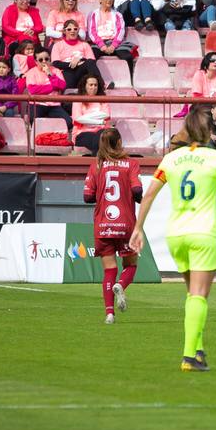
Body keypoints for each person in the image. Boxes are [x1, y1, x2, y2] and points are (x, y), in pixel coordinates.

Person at [128, 106, 216, 372]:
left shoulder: (171, 159)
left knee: (192, 295)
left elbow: (149, 195)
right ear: (209, 131)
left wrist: (138, 228)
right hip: (203, 233)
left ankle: (198, 351)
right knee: (200, 296)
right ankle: (189, 356)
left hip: (176, 234)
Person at [82, 127, 142, 325]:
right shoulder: (131, 164)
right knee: (131, 265)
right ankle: (121, 284)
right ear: (119, 143)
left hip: (103, 225)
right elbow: (137, 189)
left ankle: (109, 314)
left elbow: (87, 196)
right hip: (125, 224)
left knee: (109, 270)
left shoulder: (96, 166)